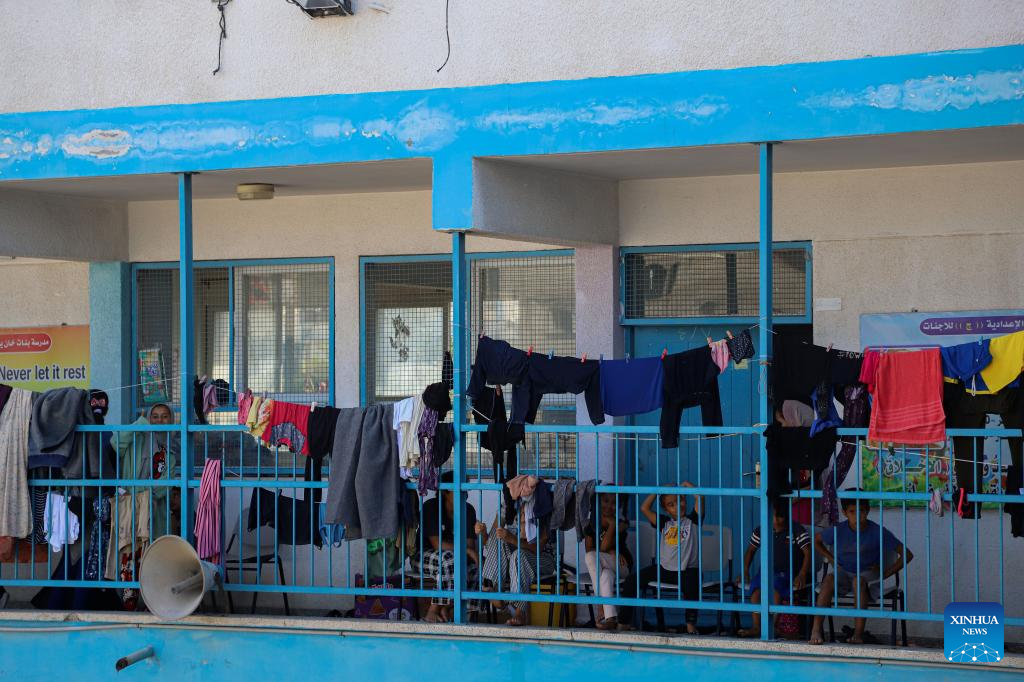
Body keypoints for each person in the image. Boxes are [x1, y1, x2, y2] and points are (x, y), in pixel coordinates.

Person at [809, 490, 914, 644]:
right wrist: (831, 558)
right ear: (844, 513)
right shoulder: (838, 530)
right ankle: (816, 629)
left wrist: (885, 573)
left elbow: (907, 554)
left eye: (861, 511)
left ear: (868, 511)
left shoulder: (877, 531)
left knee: (858, 581)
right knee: (829, 579)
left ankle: (858, 634)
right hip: (844, 574)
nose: (857, 516)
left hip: (868, 577)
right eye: (852, 512)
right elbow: (816, 540)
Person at [635, 483, 704, 634]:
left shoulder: (693, 520)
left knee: (693, 581)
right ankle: (623, 622)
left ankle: (690, 624)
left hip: (686, 571)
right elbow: (644, 508)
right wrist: (658, 490)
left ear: (684, 499)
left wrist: (687, 486)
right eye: (671, 505)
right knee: (632, 580)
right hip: (665, 570)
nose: (678, 506)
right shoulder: (664, 522)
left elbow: (700, 497)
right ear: (666, 510)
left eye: (680, 500)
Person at [475, 503, 557, 626]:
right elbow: (491, 543)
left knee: (518, 555)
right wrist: (483, 534)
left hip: (543, 559)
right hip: (516, 561)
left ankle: (519, 612)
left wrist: (512, 539)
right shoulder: (508, 505)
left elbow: (538, 548)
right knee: (499, 540)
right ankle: (497, 590)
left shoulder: (542, 503)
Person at [737, 506, 811, 637]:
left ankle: (772, 626)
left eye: (779, 517)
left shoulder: (796, 529)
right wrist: (745, 570)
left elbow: (808, 553)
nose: (775, 521)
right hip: (765, 573)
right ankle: (757, 627)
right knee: (756, 591)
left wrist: (802, 574)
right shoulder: (762, 529)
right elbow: (750, 551)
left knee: (775, 588)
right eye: (772, 516)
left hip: (788, 573)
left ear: (787, 516)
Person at [110, 403, 181, 538]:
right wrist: (140, 424)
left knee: (154, 547)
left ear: (171, 420)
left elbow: (165, 485)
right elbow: (115, 442)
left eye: (165, 416)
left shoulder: (169, 454)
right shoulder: (135, 441)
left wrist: (136, 491)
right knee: (129, 547)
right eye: (155, 416)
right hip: (128, 505)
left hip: (155, 512)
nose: (159, 420)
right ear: (149, 419)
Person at [421, 471, 479, 623]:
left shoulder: (468, 510)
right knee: (450, 559)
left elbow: (470, 545)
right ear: (446, 490)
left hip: (456, 557)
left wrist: (469, 552)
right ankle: (433, 610)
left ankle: (455, 609)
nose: (465, 492)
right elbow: (437, 544)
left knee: (476, 565)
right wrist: (466, 550)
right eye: (461, 487)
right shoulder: (431, 507)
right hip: (425, 555)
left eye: (466, 487)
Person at [583, 493, 633, 630]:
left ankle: (600, 605)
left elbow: (602, 548)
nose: (609, 506)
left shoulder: (621, 523)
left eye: (614, 503)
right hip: (604, 564)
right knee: (605, 575)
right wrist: (610, 551)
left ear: (619, 505)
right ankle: (610, 618)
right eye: (605, 501)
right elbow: (589, 549)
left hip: (622, 564)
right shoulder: (591, 524)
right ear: (599, 502)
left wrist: (612, 525)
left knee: (591, 557)